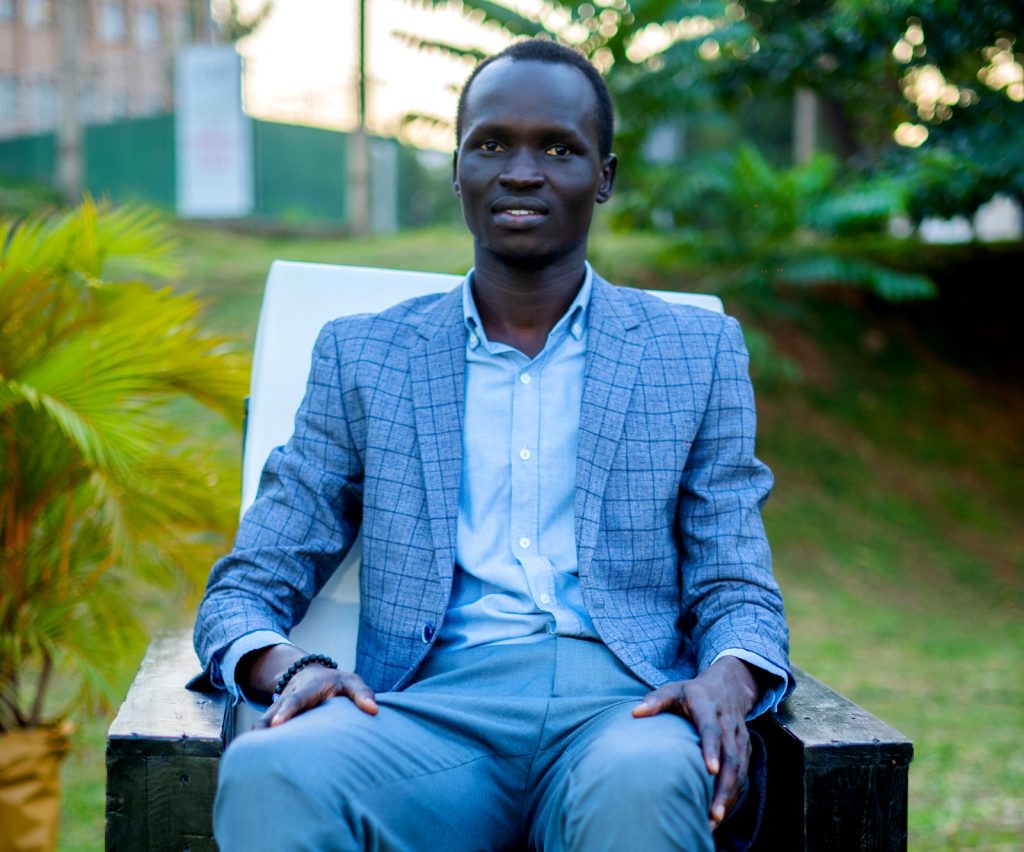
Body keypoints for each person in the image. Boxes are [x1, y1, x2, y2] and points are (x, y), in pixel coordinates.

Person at [192, 38, 792, 852]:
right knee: (272, 772)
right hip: (427, 715)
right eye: (491, 144)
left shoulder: (694, 353)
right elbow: (247, 586)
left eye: (557, 147)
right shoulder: (365, 356)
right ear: (458, 172)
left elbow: (737, 580)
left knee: (646, 788)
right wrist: (293, 671)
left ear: (604, 177)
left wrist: (728, 675)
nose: (520, 170)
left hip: (624, 712)